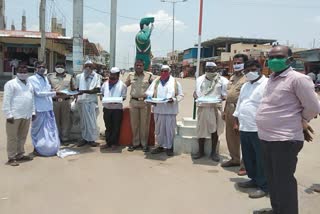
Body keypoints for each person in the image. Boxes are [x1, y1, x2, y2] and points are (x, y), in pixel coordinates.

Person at [254, 46, 320, 214]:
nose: (274, 60)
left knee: (283, 181)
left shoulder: (298, 79)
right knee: (272, 179)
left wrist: (302, 120)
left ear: (290, 59)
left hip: (284, 140)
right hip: (266, 137)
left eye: (279, 56)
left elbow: (313, 107)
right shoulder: (272, 78)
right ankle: (277, 209)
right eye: (271, 57)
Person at [233, 60, 268, 199]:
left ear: (260, 69)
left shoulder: (267, 84)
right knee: (248, 157)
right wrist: (236, 120)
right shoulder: (245, 85)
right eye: (246, 71)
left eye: (252, 69)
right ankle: (254, 179)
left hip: (259, 128)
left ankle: (264, 186)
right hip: (244, 126)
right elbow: (240, 103)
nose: (249, 73)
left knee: (261, 159)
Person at [192, 62, 228, 162]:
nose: (210, 71)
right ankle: (201, 151)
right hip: (203, 107)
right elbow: (196, 92)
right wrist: (195, 95)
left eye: (212, 69)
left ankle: (213, 152)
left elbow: (226, 94)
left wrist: (224, 97)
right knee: (201, 130)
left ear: (216, 69)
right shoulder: (200, 79)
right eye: (208, 69)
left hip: (215, 108)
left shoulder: (223, 81)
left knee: (215, 131)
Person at [146, 65, 184, 156]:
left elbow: (181, 95)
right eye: (162, 71)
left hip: (170, 111)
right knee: (159, 130)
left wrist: (173, 100)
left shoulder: (175, 82)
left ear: (169, 72)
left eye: (165, 71)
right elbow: (149, 92)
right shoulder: (156, 82)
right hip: (158, 109)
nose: (163, 73)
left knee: (169, 130)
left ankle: (169, 147)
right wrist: (150, 99)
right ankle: (160, 146)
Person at [2, 64, 35, 166]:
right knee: (12, 137)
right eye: (21, 71)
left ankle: (20, 154)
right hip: (14, 115)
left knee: (22, 136)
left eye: (25, 72)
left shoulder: (29, 84)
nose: (23, 74)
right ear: (16, 72)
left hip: (26, 114)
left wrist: (33, 112)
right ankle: (11, 157)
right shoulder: (11, 84)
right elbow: (6, 100)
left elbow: (32, 99)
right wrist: (8, 114)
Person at [222, 53, 248, 176]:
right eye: (235, 63)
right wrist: (224, 110)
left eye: (239, 63)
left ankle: (245, 164)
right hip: (229, 108)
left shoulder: (248, 78)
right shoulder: (233, 77)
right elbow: (229, 95)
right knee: (230, 136)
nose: (237, 65)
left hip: (241, 110)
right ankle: (235, 159)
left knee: (244, 138)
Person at [28, 62, 61, 156]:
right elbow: (38, 93)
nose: (42, 68)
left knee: (49, 130)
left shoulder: (45, 78)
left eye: (43, 67)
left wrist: (53, 92)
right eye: (39, 67)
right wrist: (54, 93)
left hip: (48, 108)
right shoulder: (32, 79)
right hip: (39, 109)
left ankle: (49, 148)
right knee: (37, 131)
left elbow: (47, 91)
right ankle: (37, 148)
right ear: (35, 68)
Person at [126, 59, 153, 152]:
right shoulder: (130, 75)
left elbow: (154, 87)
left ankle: (144, 144)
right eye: (137, 65)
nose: (138, 67)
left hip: (145, 103)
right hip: (133, 102)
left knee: (144, 124)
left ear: (143, 66)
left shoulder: (149, 76)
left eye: (140, 65)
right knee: (134, 124)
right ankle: (135, 143)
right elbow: (123, 86)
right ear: (134, 66)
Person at [48, 62, 75, 144]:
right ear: (55, 67)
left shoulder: (70, 77)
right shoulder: (50, 77)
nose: (59, 67)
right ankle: (56, 138)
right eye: (58, 66)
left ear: (64, 68)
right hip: (54, 102)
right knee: (54, 120)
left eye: (61, 66)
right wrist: (53, 91)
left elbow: (73, 89)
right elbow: (47, 88)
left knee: (66, 120)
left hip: (66, 101)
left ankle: (65, 138)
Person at [76, 60, 101, 147]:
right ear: (83, 67)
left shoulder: (97, 76)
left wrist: (84, 91)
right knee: (83, 122)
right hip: (81, 102)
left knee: (92, 122)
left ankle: (92, 139)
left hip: (92, 102)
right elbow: (76, 89)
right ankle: (84, 138)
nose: (88, 68)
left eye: (90, 66)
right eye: (86, 66)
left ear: (93, 67)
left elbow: (97, 89)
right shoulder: (79, 76)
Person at [100, 67, 127, 150]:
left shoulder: (122, 85)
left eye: (114, 75)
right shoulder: (105, 84)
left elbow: (124, 97)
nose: (112, 76)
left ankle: (114, 143)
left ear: (118, 75)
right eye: (111, 74)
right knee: (108, 126)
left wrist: (117, 101)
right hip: (107, 108)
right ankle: (108, 143)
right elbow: (101, 93)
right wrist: (102, 97)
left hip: (117, 109)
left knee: (116, 127)